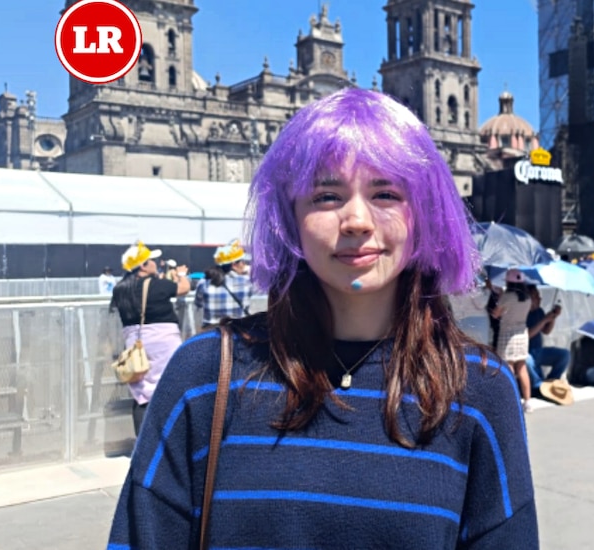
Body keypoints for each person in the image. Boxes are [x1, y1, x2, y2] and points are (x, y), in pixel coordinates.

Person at [108, 89, 538, 548]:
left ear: (425, 215)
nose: (356, 219)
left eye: (386, 192)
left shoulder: (480, 391)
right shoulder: (202, 377)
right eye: (327, 195)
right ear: (287, 218)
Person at [109, 242, 190, 435]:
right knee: (170, 386)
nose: (155, 263)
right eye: (151, 260)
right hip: (163, 341)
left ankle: (142, 441)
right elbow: (184, 288)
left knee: (141, 393)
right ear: (143, 265)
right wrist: (181, 274)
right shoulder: (156, 285)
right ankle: (169, 437)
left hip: (135, 344)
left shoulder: (120, 289)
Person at [491, 270, 535, 413]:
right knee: (522, 367)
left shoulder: (507, 296)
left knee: (508, 366)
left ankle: (512, 400)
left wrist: (498, 298)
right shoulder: (527, 298)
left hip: (507, 333)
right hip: (522, 333)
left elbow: (496, 314)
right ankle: (527, 401)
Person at [193, 239, 254, 329]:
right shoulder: (246, 282)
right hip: (237, 330)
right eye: (242, 261)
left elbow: (198, 304)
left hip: (211, 331)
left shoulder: (204, 283)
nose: (244, 264)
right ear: (234, 264)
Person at [524, 286, 571, 386]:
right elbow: (527, 335)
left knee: (564, 355)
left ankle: (552, 381)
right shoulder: (522, 313)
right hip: (527, 351)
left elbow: (546, 331)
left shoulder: (539, 311)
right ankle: (538, 385)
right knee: (527, 361)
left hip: (539, 351)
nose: (540, 299)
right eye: (536, 296)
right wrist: (544, 320)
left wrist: (553, 317)